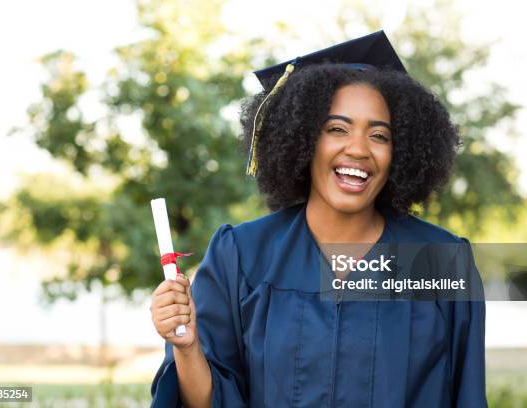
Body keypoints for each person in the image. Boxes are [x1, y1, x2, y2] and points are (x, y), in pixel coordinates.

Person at [149, 30, 487, 407]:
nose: (358, 149)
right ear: (303, 139)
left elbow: (468, 395)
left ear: (401, 151)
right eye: (337, 129)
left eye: (379, 135)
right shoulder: (242, 256)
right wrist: (188, 347)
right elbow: (210, 401)